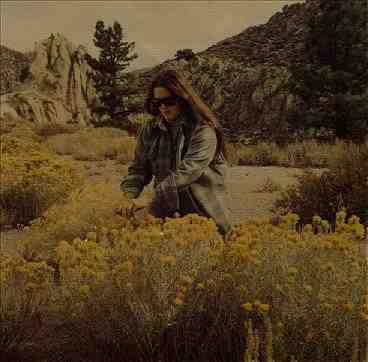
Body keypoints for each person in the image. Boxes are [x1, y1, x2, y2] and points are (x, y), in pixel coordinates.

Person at [120, 68, 233, 237]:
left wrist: (149, 197)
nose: (163, 107)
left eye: (169, 101)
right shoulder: (150, 130)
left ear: (183, 99)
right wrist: (128, 196)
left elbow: (187, 172)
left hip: (205, 219)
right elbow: (138, 169)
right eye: (157, 103)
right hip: (165, 217)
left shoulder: (203, 131)